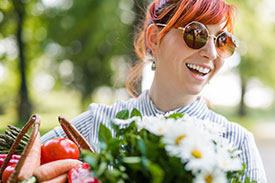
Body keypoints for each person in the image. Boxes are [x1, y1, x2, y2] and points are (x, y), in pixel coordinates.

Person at [41, 0, 267, 182]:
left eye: (221, 41)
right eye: (195, 34)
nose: (212, 53)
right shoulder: (96, 124)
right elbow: (14, 166)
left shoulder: (237, 142)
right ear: (155, 39)